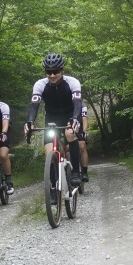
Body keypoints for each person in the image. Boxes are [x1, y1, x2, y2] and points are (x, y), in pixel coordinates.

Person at [24, 51, 84, 188]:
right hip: (52, 118)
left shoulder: (73, 82)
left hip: (71, 114)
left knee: (70, 133)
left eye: (55, 71)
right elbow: (34, 106)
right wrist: (30, 122)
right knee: (49, 152)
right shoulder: (40, 84)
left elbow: (77, 103)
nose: (52, 75)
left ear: (62, 70)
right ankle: (52, 187)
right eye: (48, 72)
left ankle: (75, 172)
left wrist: (75, 119)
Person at [78, 103, 90, 183]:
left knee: (82, 146)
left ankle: (85, 172)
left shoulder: (82, 105)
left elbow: (84, 119)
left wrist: (84, 131)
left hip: (79, 128)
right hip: (67, 127)